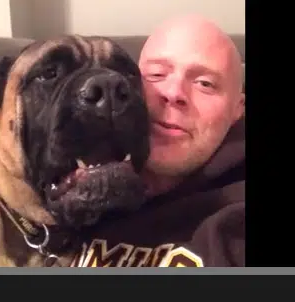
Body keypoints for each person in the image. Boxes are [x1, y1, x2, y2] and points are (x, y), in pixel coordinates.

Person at [65, 14, 246, 267]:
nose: (173, 93)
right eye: (156, 74)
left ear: (238, 109)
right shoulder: (71, 171)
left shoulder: (235, 215)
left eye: (205, 84)